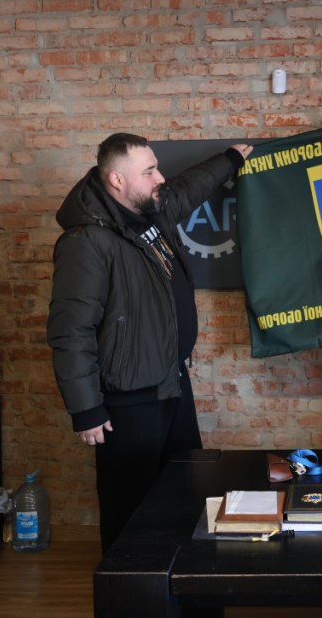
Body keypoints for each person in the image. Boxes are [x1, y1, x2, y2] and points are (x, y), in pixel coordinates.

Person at [47, 132, 253, 552]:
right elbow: (71, 329)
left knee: (185, 492)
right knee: (130, 512)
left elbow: (187, 188)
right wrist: (85, 409)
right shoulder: (86, 242)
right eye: (149, 171)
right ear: (117, 180)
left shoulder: (150, 211)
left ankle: (179, 581)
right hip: (127, 401)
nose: (160, 177)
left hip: (170, 383)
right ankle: (130, 588)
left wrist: (230, 159)